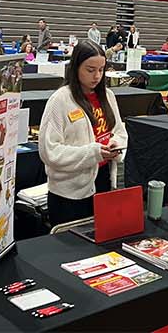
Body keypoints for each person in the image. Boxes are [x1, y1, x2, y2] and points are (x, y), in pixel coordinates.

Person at [40, 40, 128, 225]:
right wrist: (94, 152)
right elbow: (50, 151)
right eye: (90, 70)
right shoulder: (60, 101)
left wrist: (116, 145)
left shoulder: (108, 97)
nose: (97, 76)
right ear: (76, 67)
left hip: (103, 183)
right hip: (69, 195)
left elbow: (120, 132)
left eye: (101, 70)